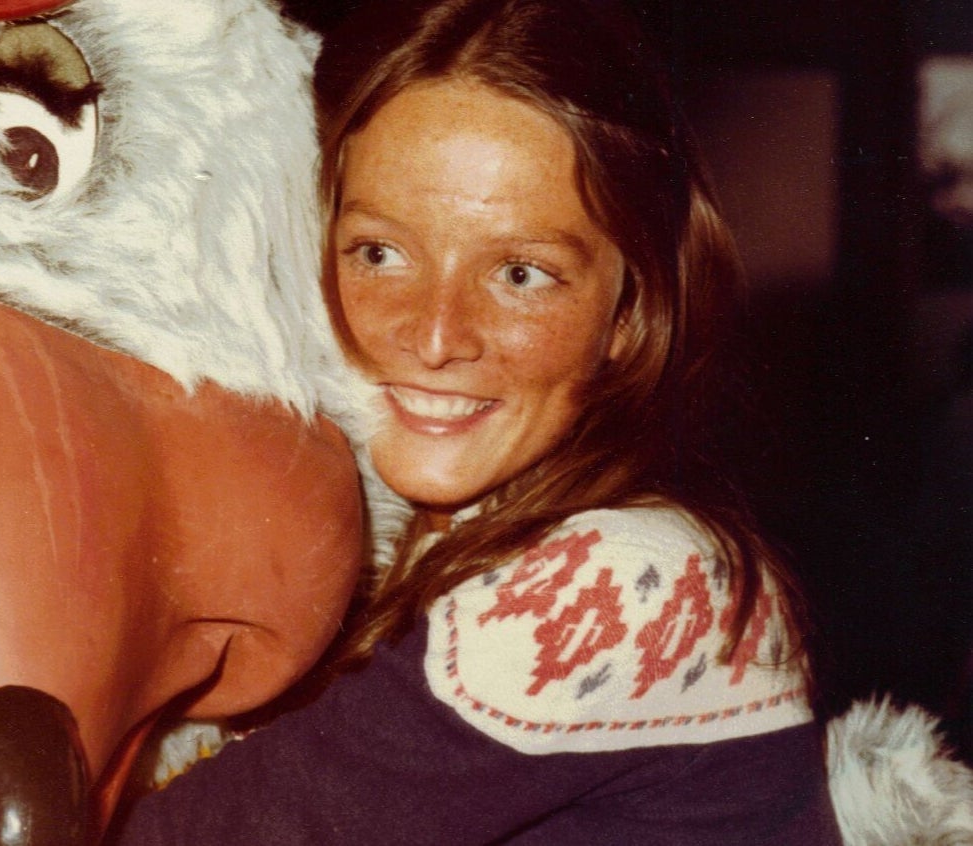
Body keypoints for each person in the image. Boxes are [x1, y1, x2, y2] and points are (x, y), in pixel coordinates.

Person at [109, 0, 843, 841]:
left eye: (521, 274)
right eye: (379, 253)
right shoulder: (406, 533)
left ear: (630, 311)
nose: (432, 335)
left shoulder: (630, 581)